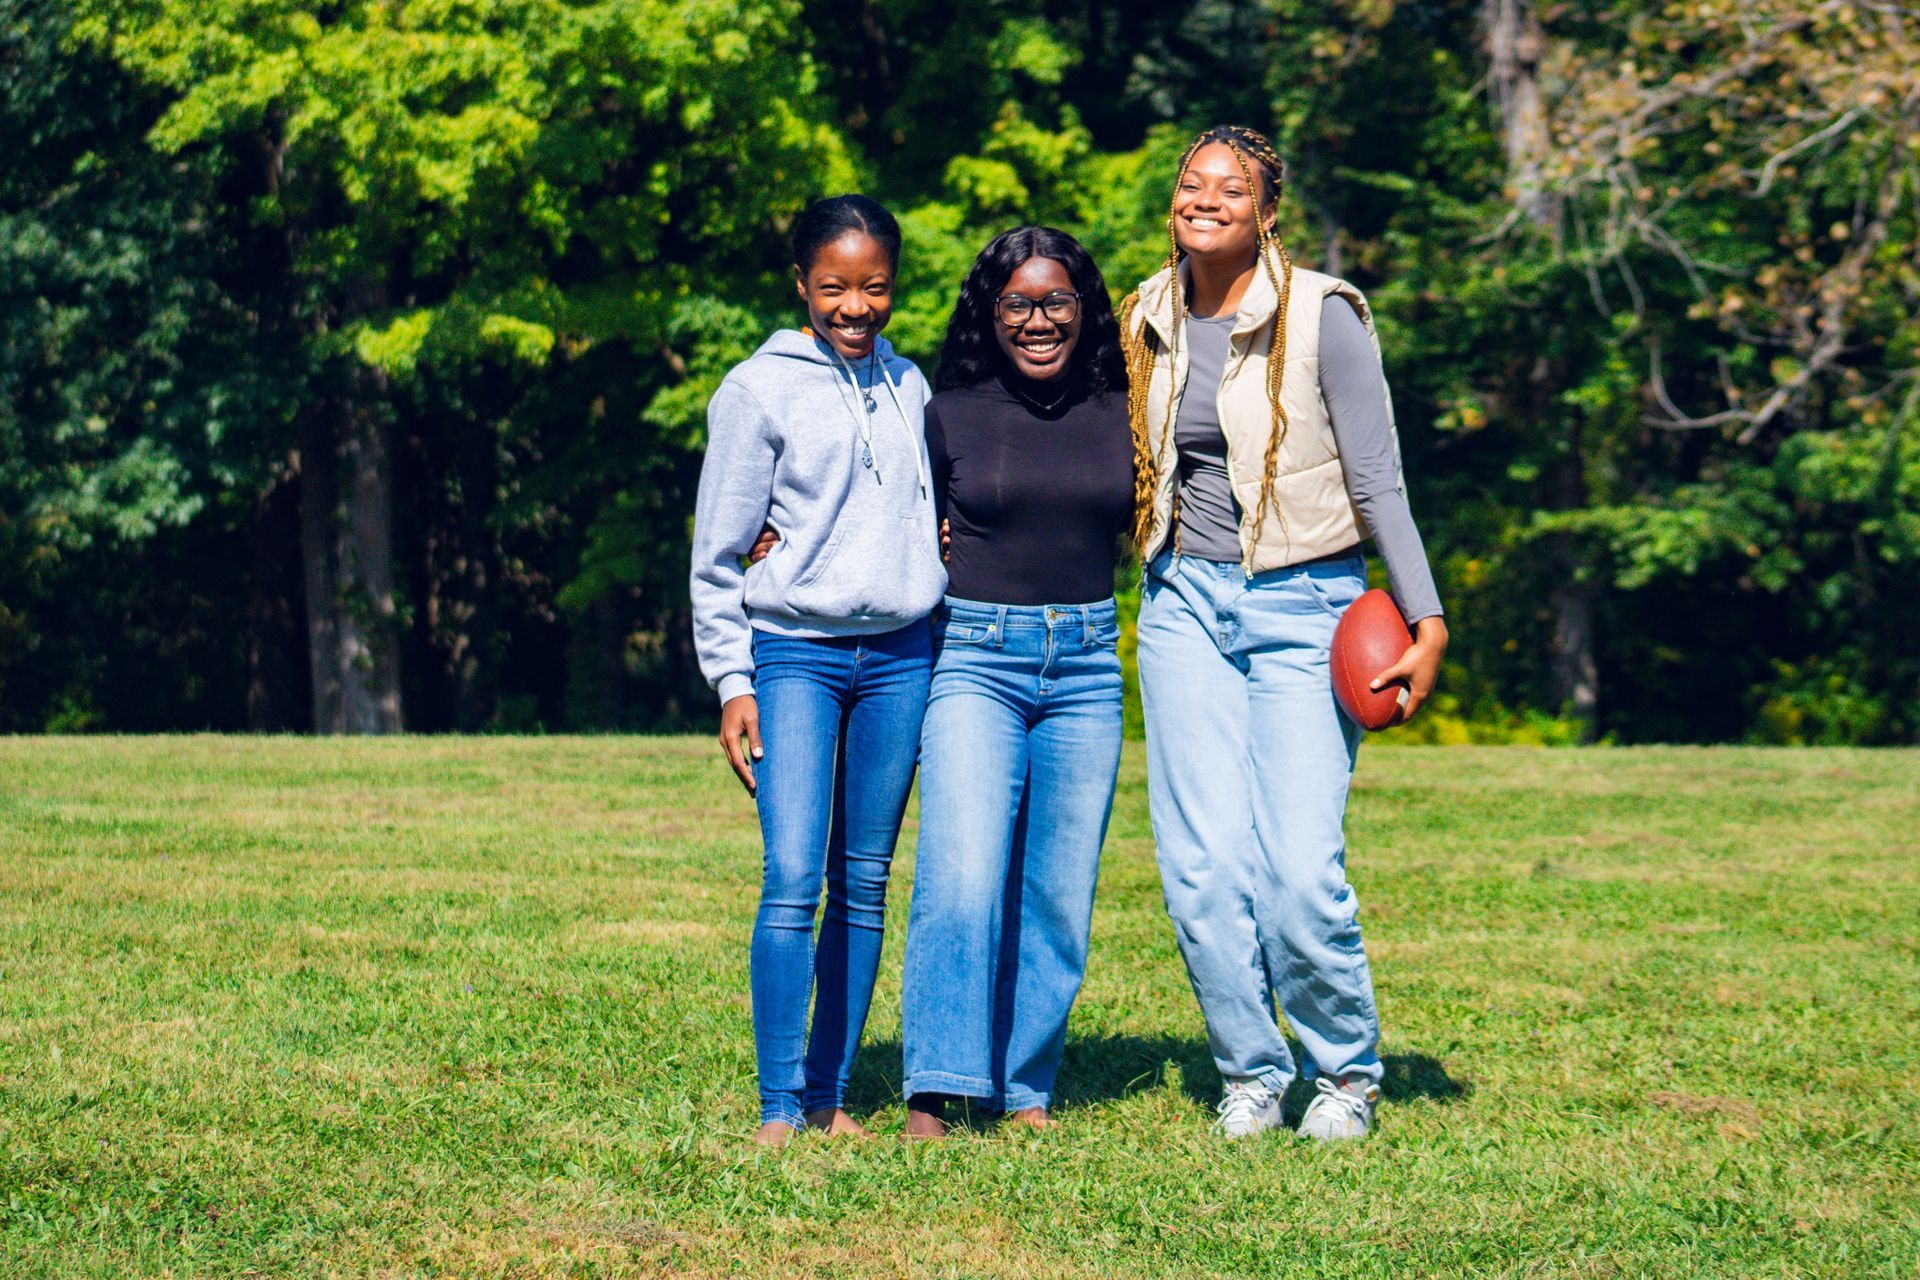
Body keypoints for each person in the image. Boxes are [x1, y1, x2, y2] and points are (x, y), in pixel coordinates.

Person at [1119, 126, 1449, 1141]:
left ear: (1267, 213)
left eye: (1231, 189)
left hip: (1306, 606)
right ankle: (1251, 1071)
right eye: (1190, 182)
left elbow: (1375, 477)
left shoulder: (1324, 315)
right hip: (1182, 606)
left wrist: (1427, 616)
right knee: (1203, 862)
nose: (1205, 198)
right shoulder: (1144, 313)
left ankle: (1344, 1072)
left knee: (1300, 865)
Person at [688, 194, 946, 1146]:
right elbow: (718, 557)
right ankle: (777, 1107)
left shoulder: (912, 385)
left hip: (901, 658)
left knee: (865, 878)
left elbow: (930, 512)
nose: (855, 306)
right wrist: (733, 682)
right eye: (834, 286)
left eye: (874, 286)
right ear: (801, 283)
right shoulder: (755, 390)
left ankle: (832, 1095)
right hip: (793, 656)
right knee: (794, 874)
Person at [894, 228, 1134, 1139]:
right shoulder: (947, 410)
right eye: (1018, 305)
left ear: (1084, 309)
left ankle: (1023, 1087)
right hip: (977, 658)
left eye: (1057, 302)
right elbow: (889, 519)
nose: (1039, 321)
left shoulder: (1124, 406)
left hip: (1085, 665)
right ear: (989, 315)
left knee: (1058, 891)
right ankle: (938, 1085)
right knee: (960, 874)